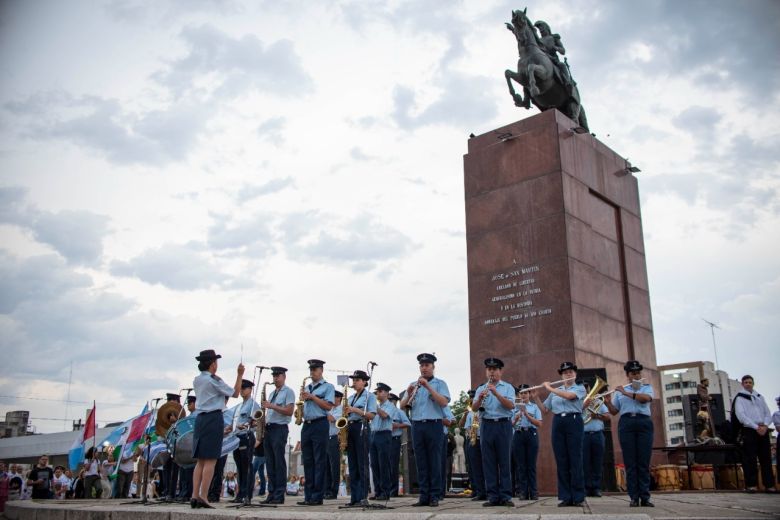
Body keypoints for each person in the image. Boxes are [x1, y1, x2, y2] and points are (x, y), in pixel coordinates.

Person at [191, 348, 244, 509]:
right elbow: (235, 393)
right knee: (211, 460)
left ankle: (194, 495)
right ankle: (204, 496)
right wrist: (240, 374)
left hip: (199, 419)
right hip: (213, 418)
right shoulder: (213, 380)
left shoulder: (197, 379)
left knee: (200, 460)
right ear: (212, 364)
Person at [400, 353, 450, 507]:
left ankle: (435, 495)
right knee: (420, 461)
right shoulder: (414, 384)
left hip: (434, 424)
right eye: (422, 366)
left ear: (433, 367)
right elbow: (402, 406)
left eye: (427, 365)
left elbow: (443, 402)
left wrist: (428, 387)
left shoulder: (440, 383)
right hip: (417, 425)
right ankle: (424, 495)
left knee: (434, 460)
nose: (424, 368)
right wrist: (408, 393)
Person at [604, 360, 655, 507]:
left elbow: (645, 400)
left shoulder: (646, 387)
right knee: (630, 462)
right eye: (633, 373)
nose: (637, 375)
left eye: (638, 372)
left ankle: (645, 497)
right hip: (626, 423)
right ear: (628, 375)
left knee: (643, 462)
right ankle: (634, 497)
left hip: (643, 422)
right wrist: (608, 402)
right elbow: (614, 412)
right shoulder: (620, 392)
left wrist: (626, 392)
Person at [535, 361, 586, 507]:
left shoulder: (580, 388)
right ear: (561, 375)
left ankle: (578, 497)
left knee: (575, 459)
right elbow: (545, 409)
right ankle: (565, 496)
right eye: (565, 372)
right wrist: (536, 397)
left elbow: (570, 396)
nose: (568, 374)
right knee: (561, 460)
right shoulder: (555, 391)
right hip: (558, 422)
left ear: (575, 374)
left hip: (574, 421)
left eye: (570, 372)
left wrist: (549, 388)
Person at [472, 358, 515, 507]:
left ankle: (505, 496)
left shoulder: (508, 387)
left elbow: (510, 406)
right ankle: (493, 496)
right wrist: (480, 398)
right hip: (487, 426)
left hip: (503, 424)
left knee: (504, 461)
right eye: (489, 369)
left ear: (500, 371)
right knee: (488, 462)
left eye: (494, 369)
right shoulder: (480, 389)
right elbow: (474, 408)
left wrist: (496, 393)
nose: (491, 371)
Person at [298, 359, 335, 506]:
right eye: (311, 370)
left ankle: (317, 496)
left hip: (320, 423)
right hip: (307, 425)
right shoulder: (307, 387)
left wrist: (312, 397)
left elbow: (328, 406)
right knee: (307, 461)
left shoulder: (328, 387)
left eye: (314, 369)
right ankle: (308, 496)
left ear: (321, 371)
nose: (312, 372)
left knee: (319, 461)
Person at [733, 375, 777, 493]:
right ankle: (752, 485)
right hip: (750, 429)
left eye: (750, 382)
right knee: (750, 459)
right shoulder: (739, 398)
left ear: (753, 383)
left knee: (766, 458)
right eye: (746, 382)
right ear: (742, 384)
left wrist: (766, 425)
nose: (748, 384)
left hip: (763, 429)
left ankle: (769, 485)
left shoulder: (759, 397)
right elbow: (741, 415)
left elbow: (767, 413)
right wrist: (756, 426)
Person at [261, 366, 296, 505]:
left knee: (279, 462)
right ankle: (271, 492)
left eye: (278, 375)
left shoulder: (288, 392)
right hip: (269, 429)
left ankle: (279, 494)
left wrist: (272, 406)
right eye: (274, 375)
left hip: (280, 428)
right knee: (269, 462)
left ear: (284, 377)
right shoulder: (271, 393)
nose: (275, 378)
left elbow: (289, 411)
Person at [344, 369, 376, 506]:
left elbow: (372, 415)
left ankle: (363, 497)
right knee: (352, 466)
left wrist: (354, 410)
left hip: (362, 427)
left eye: (357, 380)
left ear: (364, 382)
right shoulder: (350, 398)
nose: (354, 382)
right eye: (354, 380)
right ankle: (354, 497)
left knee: (362, 464)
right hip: (350, 427)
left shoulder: (370, 396)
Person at [231, 378, 260, 503]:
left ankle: (246, 494)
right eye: (241, 388)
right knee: (239, 467)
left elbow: (257, 422)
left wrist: (248, 425)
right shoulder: (238, 407)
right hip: (237, 437)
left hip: (246, 436)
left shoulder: (253, 404)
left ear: (250, 389)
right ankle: (240, 494)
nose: (242, 391)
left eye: (244, 388)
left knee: (246, 466)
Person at [512, 383, 542, 500]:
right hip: (518, 434)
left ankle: (533, 492)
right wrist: (517, 417)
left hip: (531, 434)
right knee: (521, 466)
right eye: (521, 393)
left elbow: (539, 423)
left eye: (525, 393)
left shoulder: (534, 407)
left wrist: (528, 416)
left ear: (529, 394)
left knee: (531, 465)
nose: (523, 395)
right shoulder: (514, 407)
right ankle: (523, 492)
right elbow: (510, 424)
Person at [582, 387, 610, 498]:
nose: (587, 392)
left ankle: (596, 488)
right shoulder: (578, 403)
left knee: (597, 462)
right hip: (584, 435)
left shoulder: (598, 401)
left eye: (587, 389)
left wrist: (596, 415)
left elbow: (607, 416)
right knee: (585, 463)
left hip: (598, 434)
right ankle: (587, 488)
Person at [369, 382, 394, 501]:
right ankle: (378, 491)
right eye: (377, 392)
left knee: (383, 464)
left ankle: (385, 492)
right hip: (373, 434)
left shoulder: (390, 405)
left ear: (387, 393)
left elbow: (384, 416)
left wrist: (375, 407)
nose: (377, 393)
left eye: (380, 391)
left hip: (384, 434)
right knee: (374, 465)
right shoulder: (376, 406)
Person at [460, 389, 485, 502]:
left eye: (472, 397)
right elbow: (463, 426)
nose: (470, 399)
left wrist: (473, 435)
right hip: (471, 440)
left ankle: (483, 491)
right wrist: (465, 414)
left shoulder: (480, 409)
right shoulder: (469, 411)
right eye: (469, 397)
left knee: (482, 467)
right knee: (473, 467)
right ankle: (476, 490)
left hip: (480, 439)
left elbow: (476, 425)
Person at [388, 393, 410, 497]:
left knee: (393, 465)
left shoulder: (399, 412)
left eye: (391, 400)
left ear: (395, 401)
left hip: (394, 439)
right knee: (383, 465)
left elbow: (407, 423)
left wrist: (397, 425)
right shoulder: (382, 411)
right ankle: (384, 489)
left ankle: (393, 491)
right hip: (383, 438)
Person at [176, 395, 197, 502]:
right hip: (186, 447)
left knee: (190, 472)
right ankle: (183, 492)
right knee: (184, 471)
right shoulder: (189, 416)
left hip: (192, 447)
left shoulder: (197, 415)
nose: (188, 405)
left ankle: (188, 493)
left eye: (190, 403)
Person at [324, 389, 344, 500]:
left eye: (334, 397)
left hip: (335, 438)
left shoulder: (340, 409)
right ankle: (326, 490)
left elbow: (332, 419)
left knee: (334, 466)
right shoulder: (331, 408)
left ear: (338, 398)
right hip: (327, 438)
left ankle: (333, 491)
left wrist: (323, 411)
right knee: (326, 466)